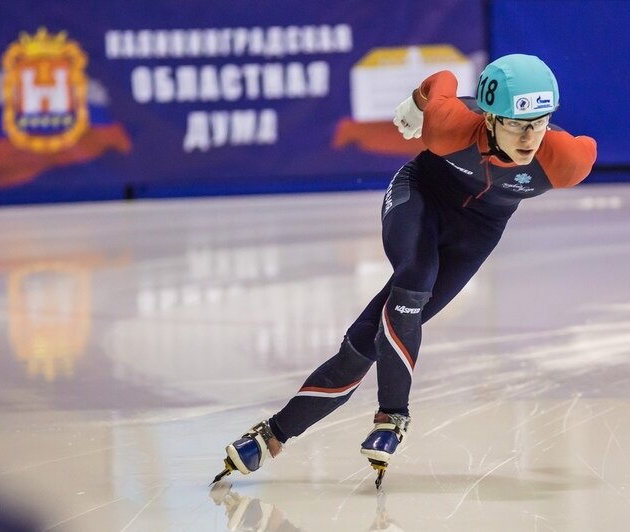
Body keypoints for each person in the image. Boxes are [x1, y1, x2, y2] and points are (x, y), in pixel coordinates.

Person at [212, 53, 597, 488]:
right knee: (414, 277)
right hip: (421, 196)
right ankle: (393, 416)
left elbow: (577, 143)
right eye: (515, 123)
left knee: (365, 342)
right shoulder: (450, 126)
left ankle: (273, 435)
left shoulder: (566, 160)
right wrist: (417, 101)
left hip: (479, 232)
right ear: (488, 118)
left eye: (540, 122)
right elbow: (445, 78)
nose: (529, 137)